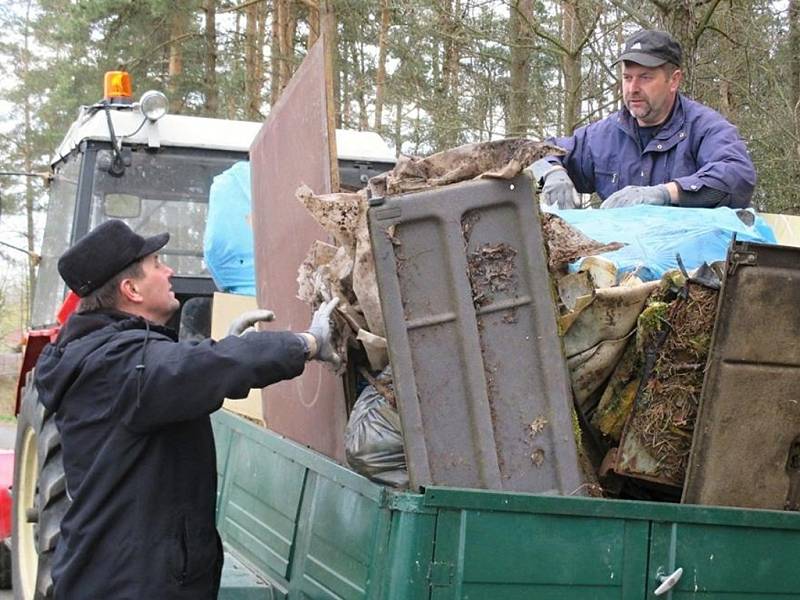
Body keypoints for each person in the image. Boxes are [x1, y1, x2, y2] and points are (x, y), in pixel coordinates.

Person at [34, 219, 339, 599]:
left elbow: (180, 371)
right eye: (157, 263)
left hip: (117, 575)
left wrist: (224, 348)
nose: (169, 270)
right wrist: (307, 343)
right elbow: (176, 369)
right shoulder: (119, 365)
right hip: (130, 587)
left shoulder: (108, 358)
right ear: (131, 289)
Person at [530, 29, 756, 209]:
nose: (633, 88)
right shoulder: (604, 135)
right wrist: (553, 172)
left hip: (689, 262)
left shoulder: (705, 128)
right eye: (627, 78)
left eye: (645, 78)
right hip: (617, 260)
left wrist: (664, 193)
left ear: (674, 80)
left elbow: (738, 177)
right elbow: (539, 152)